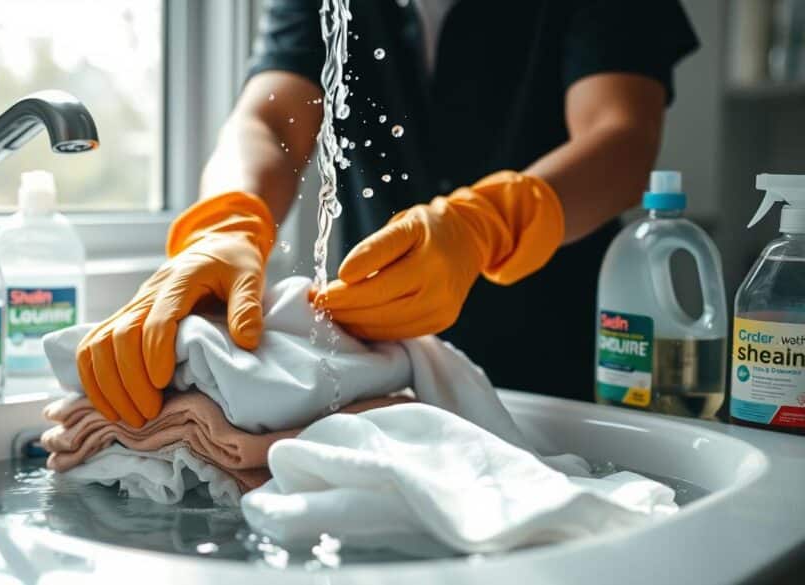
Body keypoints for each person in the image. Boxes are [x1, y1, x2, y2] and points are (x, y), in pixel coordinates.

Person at [77, 0, 699, 427]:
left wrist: (488, 223)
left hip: (558, 381)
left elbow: (622, 137)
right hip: (375, 381)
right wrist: (225, 224)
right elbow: (270, 119)